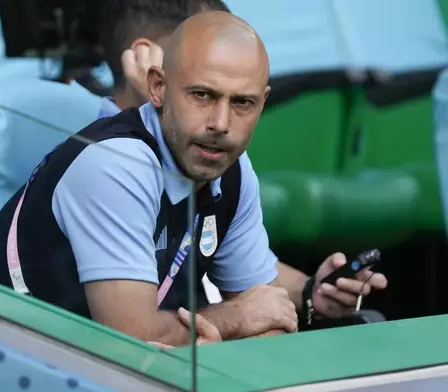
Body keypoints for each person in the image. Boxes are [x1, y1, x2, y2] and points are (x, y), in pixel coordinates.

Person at [96, 0, 388, 322]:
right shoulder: (99, 159)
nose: (221, 123)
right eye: (202, 92)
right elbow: (132, 336)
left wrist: (309, 294)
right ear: (153, 74)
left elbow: (252, 287)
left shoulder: (217, 161)